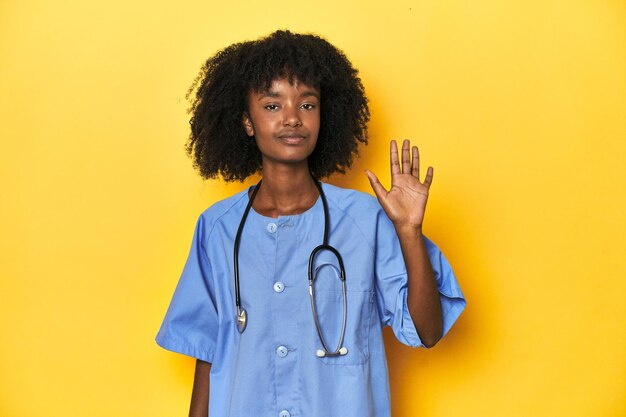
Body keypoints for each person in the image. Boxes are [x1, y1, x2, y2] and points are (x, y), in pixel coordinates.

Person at [156, 30, 465, 417]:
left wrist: (408, 231)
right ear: (247, 122)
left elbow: (428, 331)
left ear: (324, 115)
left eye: (307, 104)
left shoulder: (366, 222)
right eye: (272, 106)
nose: (291, 118)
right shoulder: (217, 229)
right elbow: (207, 353)